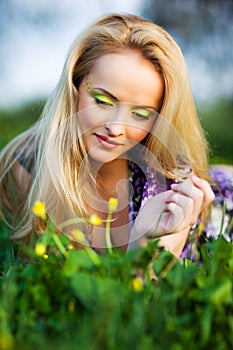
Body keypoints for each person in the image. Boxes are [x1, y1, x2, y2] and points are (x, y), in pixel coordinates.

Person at [0, 13, 232, 261]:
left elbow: (143, 292)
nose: (115, 128)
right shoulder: (27, 164)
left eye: (141, 114)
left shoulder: (171, 188)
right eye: (102, 101)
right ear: (75, 85)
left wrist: (145, 240)